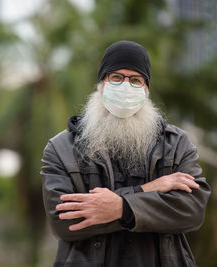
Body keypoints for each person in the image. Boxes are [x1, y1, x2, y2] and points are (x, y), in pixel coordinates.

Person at [40, 40, 211, 267]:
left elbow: (192, 210)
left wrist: (121, 207)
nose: (126, 87)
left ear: (146, 90)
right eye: (117, 77)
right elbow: (64, 222)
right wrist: (146, 190)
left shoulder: (177, 144)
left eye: (135, 80)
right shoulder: (61, 148)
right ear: (101, 84)